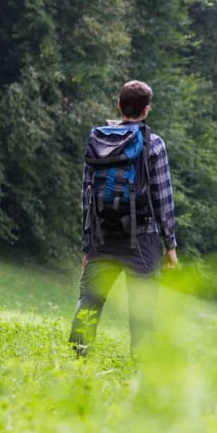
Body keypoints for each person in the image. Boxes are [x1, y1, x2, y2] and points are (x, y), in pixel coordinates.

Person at [69, 80, 179, 356]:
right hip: (142, 236)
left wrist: (87, 245)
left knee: (89, 301)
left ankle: (76, 360)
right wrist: (170, 246)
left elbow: (86, 197)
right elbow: (163, 197)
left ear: (118, 105)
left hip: (102, 235)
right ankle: (139, 366)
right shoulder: (154, 144)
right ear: (146, 110)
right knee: (142, 309)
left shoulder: (98, 140)